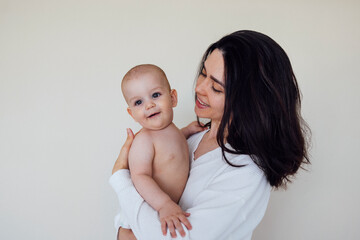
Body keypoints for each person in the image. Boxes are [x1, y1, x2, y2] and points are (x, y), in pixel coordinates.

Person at [110, 30, 310, 240]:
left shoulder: (246, 170)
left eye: (216, 87)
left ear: (248, 102)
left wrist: (120, 179)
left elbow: (173, 237)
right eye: (203, 74)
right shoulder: (191, 137)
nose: (198, 88)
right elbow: (132, 215)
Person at [117, 64, 193, 236]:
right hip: (143, 215)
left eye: (155, 95)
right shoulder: (144, 140)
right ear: (132, 114)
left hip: (164, 212)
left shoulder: (172, 131)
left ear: (173, 98)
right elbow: (140, 176)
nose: (149, 105)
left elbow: (170, 149)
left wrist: (187, 131)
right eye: (138, 102)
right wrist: (164, 204)